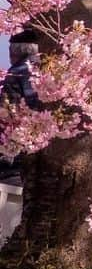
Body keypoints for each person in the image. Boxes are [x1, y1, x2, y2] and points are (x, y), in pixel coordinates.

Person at [0, 29, 42, 184]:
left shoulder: (17, 73)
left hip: (16, 150)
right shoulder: (49, 70)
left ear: (14, 52)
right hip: (43, 146)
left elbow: (7, 111)